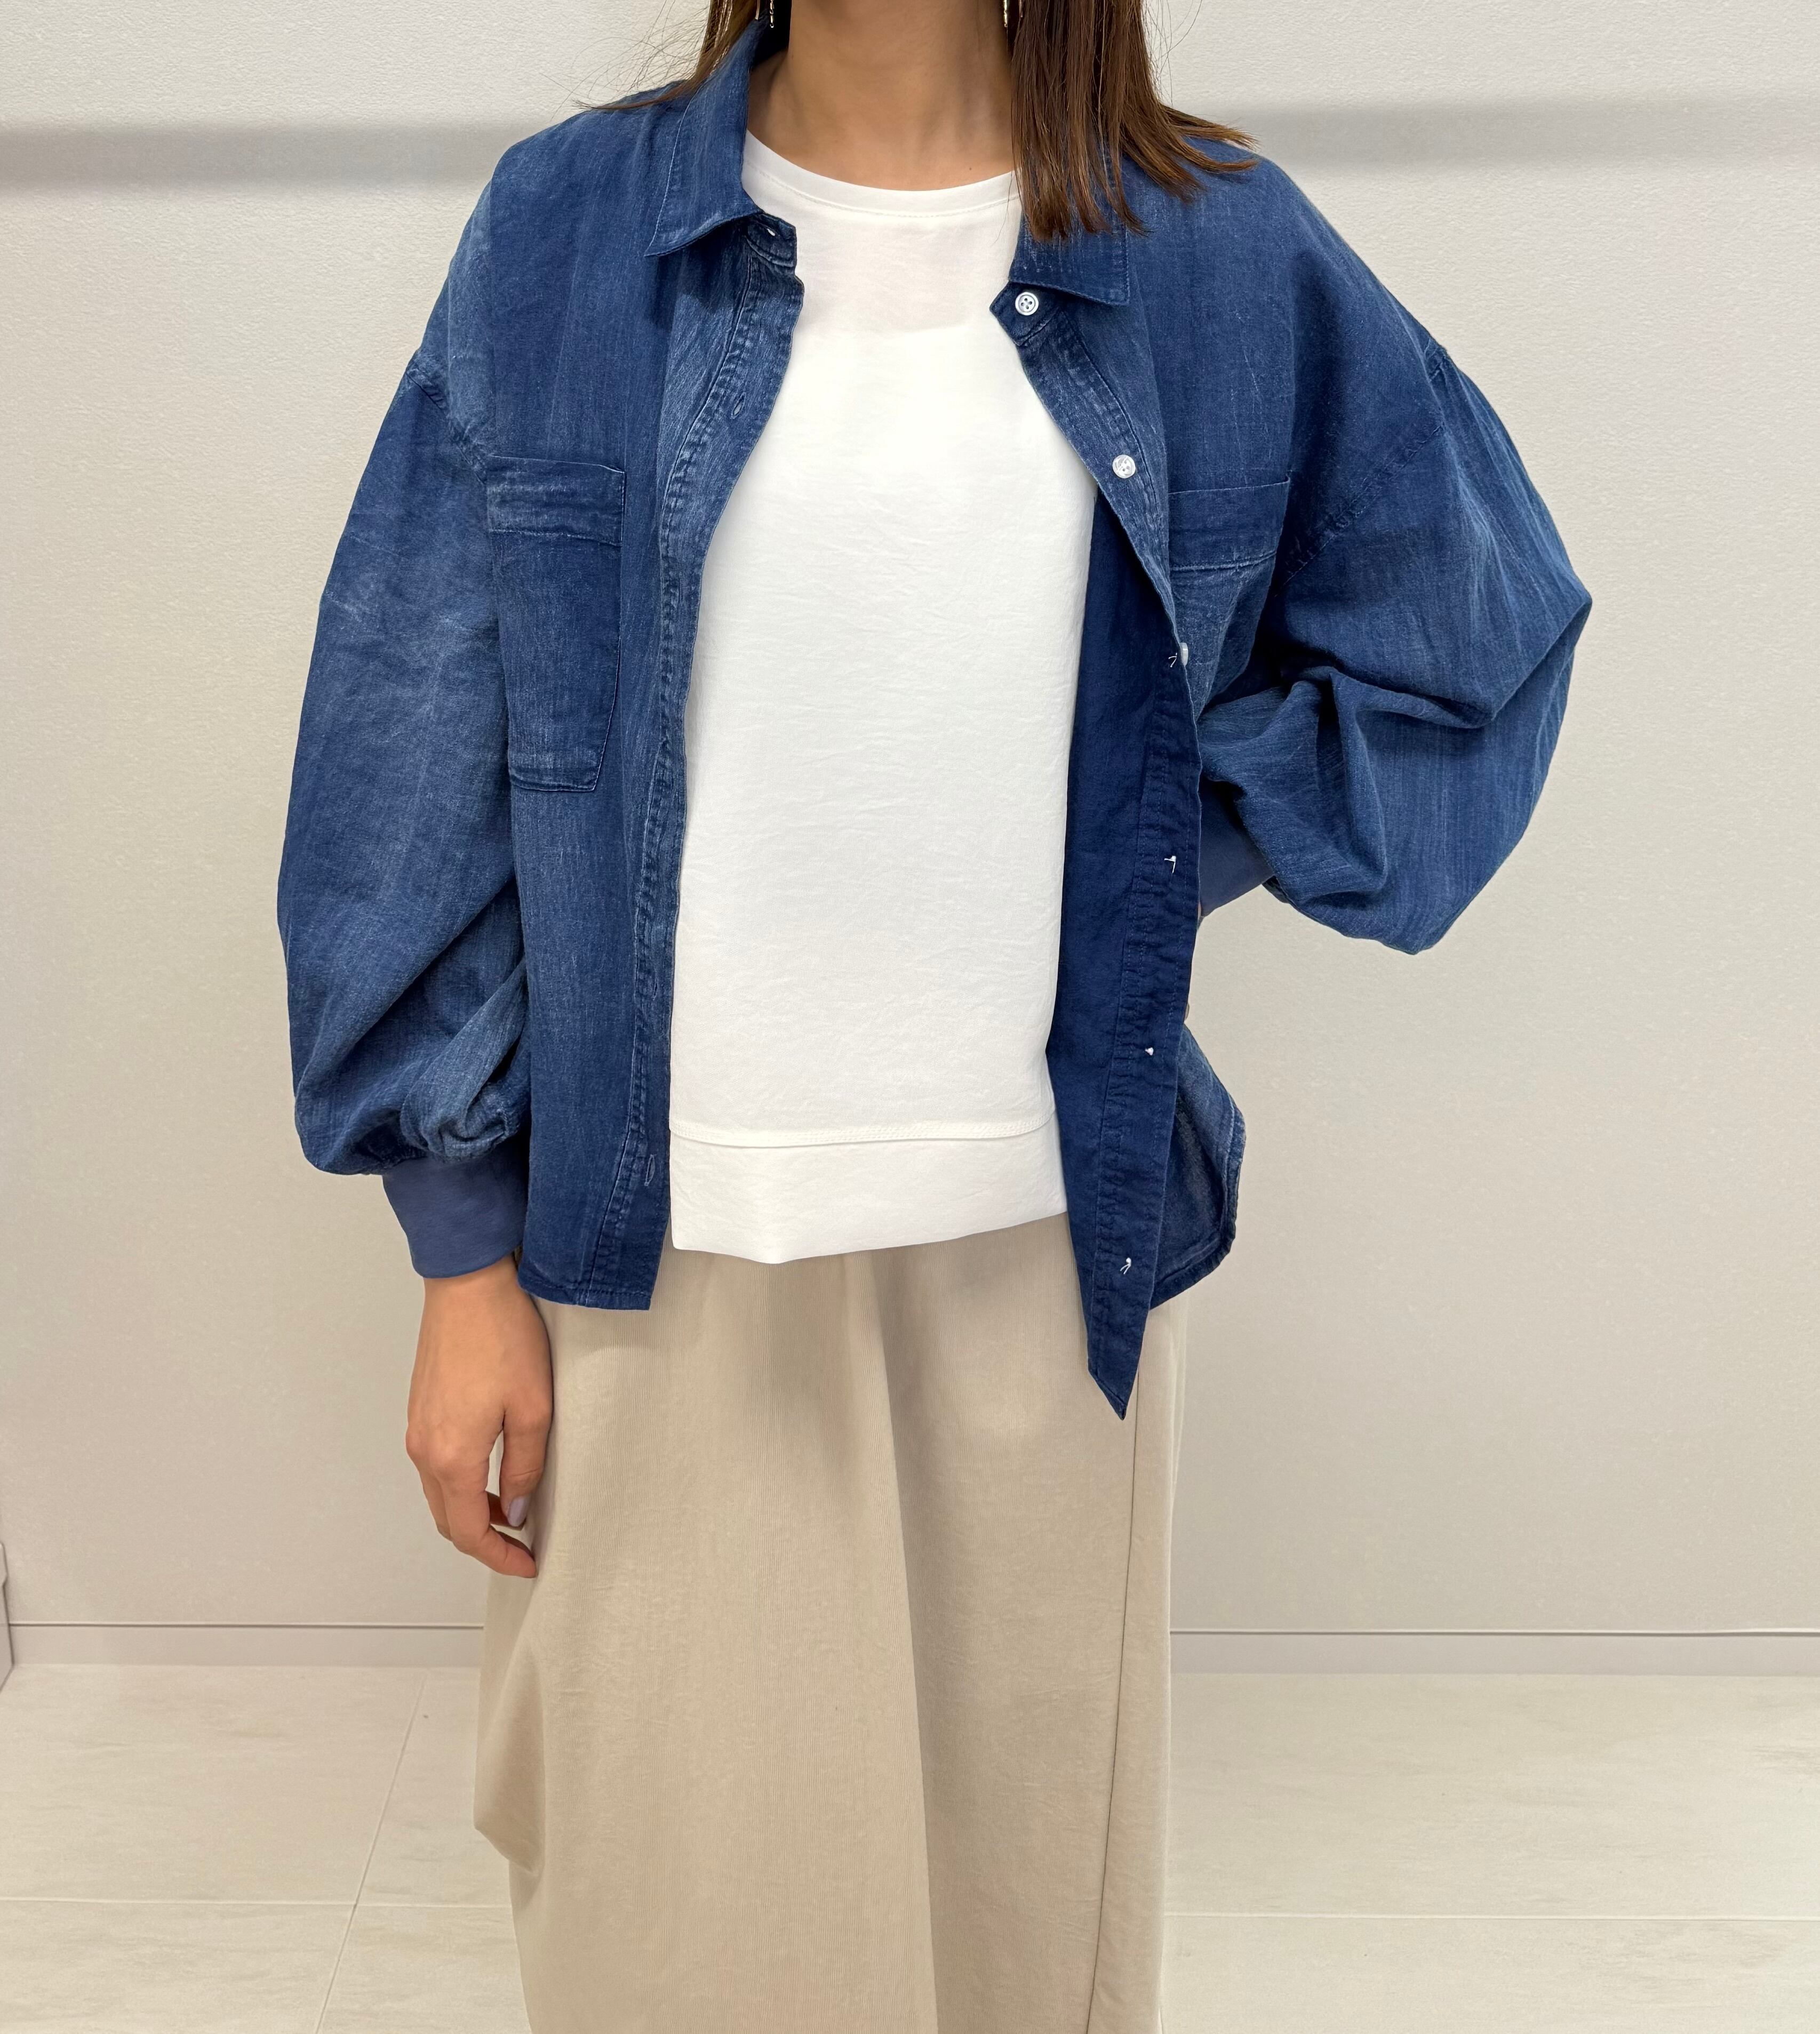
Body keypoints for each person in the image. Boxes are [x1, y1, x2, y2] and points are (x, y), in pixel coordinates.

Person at [276, 0, 1590, 2026]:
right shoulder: (568, 227)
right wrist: (459, 1257)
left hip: (1042, 1246)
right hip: (656, 1244)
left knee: (1013, 1948)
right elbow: (411, 747)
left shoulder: (1212, 246)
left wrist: (1144, 851)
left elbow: (1463, 646)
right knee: (679, 1943)